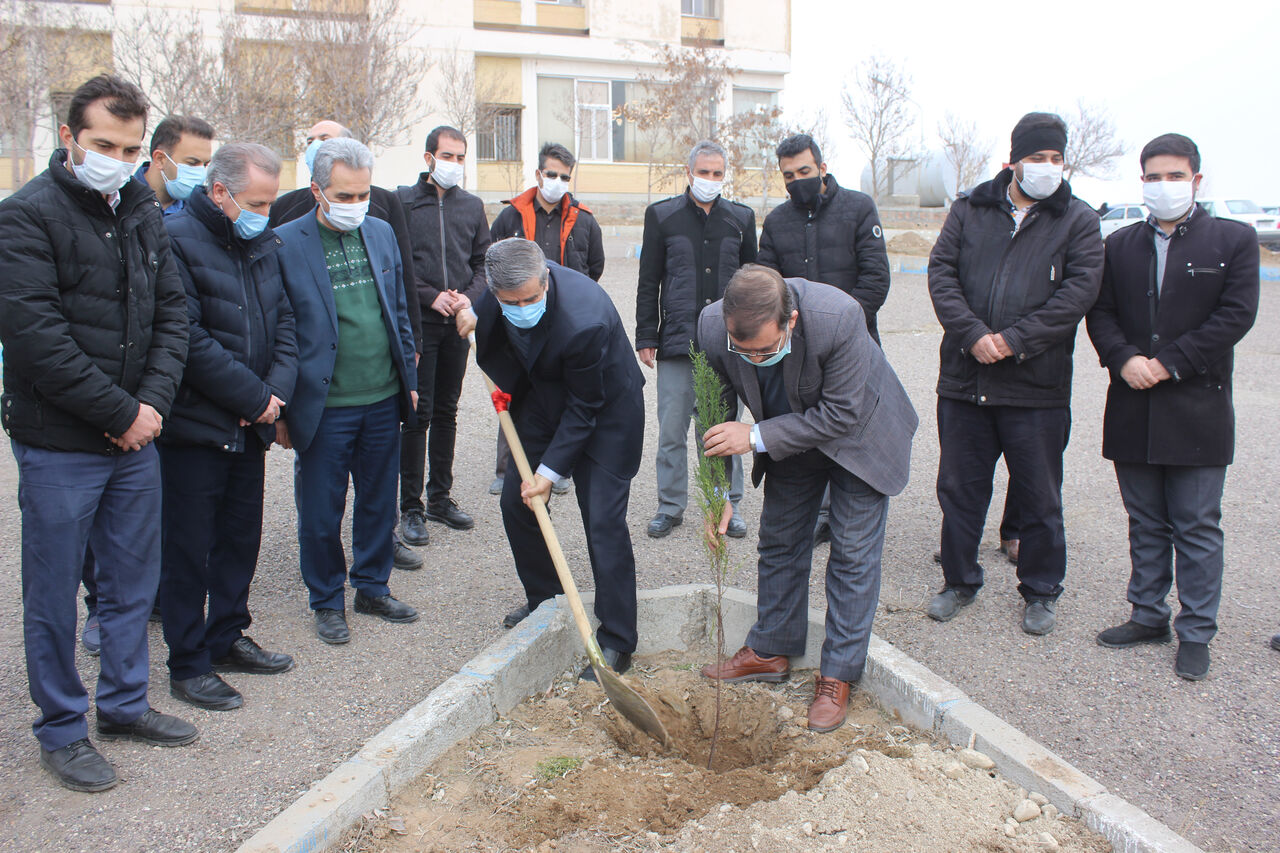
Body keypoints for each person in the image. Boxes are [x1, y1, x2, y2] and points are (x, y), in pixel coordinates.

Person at [0, 74, 196, 793]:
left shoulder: (143, 207)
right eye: (103, 144)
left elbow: (173, 314)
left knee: (130, 582)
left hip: (135, 438)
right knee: (52, 595)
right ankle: (61, 728)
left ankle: (122, 702)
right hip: (61, 444)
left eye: (131, 146)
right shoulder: (25, 216)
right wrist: (121, 413)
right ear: (69, 140)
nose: (117, 157)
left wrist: (147, 406)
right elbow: (34, 340)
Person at [697, 265, 917, 732]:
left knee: (853, 556)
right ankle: (770, 650)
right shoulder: (714, 327)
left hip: (860, 434)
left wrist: (755, 434)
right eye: (744, 351)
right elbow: (715, 414)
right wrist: (719, 495)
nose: (753, 360)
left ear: (790, 320)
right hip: (788, 436)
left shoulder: (838, 316)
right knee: (779, 540)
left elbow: (841, 414)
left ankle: (837, 675)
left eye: (766, 350)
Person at [1086, 133, 1259, 681]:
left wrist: (1170, 362)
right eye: (1153, 177)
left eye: (1174, 176)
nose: (1163, 186)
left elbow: (1235, 316)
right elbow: (1101, 312)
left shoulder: (1232, 240)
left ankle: (1197, 629)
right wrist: (1123, 358)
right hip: (1133, 400)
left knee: (1197, 522)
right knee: (1145, 520)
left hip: (1197, 405)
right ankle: (1147, 613)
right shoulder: (1119, 245)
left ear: (1197, 180)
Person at [926, 112, 1103, 636]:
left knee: (1040, 495)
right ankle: (959, 581)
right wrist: (974, 335)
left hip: (1036, 388)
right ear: (1013, 160)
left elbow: (1078, 293)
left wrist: (1013, 341)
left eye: (1055, 158)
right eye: (1036, 158)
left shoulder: (1078, 221)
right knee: (959, 488)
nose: (1047, 167)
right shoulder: (970, 209)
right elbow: (941, 275)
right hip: (966, 380)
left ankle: (1041, 589)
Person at [457, 238, 645, 666]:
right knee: (517, 502)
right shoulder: (498, 294)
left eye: (531, 298)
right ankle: (545, 599)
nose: (522, 306)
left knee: (602, 521)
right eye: (511, 302)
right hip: (544, 402)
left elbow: (584, 409)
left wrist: (550, 471)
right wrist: (472, 317)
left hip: (606, 414)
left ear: (546, 279)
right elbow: (491, 331)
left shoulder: (584, 318)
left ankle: (618, 637)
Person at [158, 142, 298, 711]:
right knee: (189, 547)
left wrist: (275, 396)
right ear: (220, 193)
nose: (267, 213)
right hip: (195, 427)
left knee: (241, 536)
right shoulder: (174, 239)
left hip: (252, 424)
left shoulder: (260, 239)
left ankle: (228, 634)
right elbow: (186, 338)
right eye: (258, 202)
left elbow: (285, 319)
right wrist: (253, 396)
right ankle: (188, 662)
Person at [275, 138, 420, 645]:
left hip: (381, 397)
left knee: (379, 501)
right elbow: (281, 331)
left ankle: (373, 586)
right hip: (324, 405)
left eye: (363, 195)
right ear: (317, 190)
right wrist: (280, 406)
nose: (357, 205)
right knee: (321, 511)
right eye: (345, 195)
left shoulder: (379, 232)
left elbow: (398, 309)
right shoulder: (284, 242)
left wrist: (411, 382)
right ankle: (326, 599)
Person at [756, 132, 891, 544]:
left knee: (850, 424)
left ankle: (849, 508)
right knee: (806, 426)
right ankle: (815, 509)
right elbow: (766, 284)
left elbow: (876, 279)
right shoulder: (778, 221)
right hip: (793, 351)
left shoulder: (858, 208)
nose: (798, 180)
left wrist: (839, 326)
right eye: (789, 175)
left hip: (854, 344)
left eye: (805, 171)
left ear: (823, 167)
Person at [636, 139, 756, 541]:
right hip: (676, 341)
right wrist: (645, 334)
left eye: (717, 173)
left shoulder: (741, 219)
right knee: (671, 431)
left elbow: (754, 284)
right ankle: (670, 506)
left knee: (721, 429)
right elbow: (649, 280)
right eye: (703, 172)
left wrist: (751, 338)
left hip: (726, 346)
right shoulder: (662, 216)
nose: (709, 179)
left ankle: (726, 503)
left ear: (725, 175)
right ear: (689, 172)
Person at [487, 141, 604, 499]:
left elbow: (594, 268)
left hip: (562, 323)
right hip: (520, 321)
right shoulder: (511, 217)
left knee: (564, 395)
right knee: (515, 392)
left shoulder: (584, 220)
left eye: (564, 176)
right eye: (550, 173)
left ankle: (558, 467)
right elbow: (492, 265)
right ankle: (508, 467)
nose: (556, 180)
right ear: (539, 174)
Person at [395, 125, 490, 545]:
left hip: (457, 325)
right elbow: (396, 264)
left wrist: (466, 300)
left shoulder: (471, 206)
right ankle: (410, 507)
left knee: (448, 410)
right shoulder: (402, 203)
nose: (453, 164)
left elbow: (483, 264)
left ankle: (440, 498)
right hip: (420, 323)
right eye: (446, 156)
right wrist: (432, 296)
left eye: (460, 157)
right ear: (429, 157)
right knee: (418, 412)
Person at [134, 115, 214, 214]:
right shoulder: (118, 199)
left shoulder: (203, 214)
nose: (200, 172)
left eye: (205, 165)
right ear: (160, 159)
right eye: (192, 163)